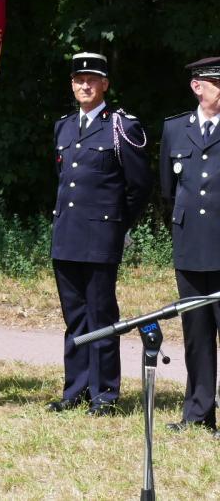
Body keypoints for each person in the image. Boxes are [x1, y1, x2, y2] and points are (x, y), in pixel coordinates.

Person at [47, 52, 152, 416]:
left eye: (92, 79)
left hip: (100, 237)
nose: (84, 85)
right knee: (74, 317)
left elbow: (138, 186)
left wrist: (117, 226)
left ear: (105, 84)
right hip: (66, 236)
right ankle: (74, 389)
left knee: (101, 316)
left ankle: (104, 394)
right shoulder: (63, 126)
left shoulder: (121, 126)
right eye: (79, 79)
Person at [160, 56, 220, 437]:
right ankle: (198, 413)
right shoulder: (175, 129)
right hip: (190, 246)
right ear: (198, 87)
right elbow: (168, 189)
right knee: (197, 334)